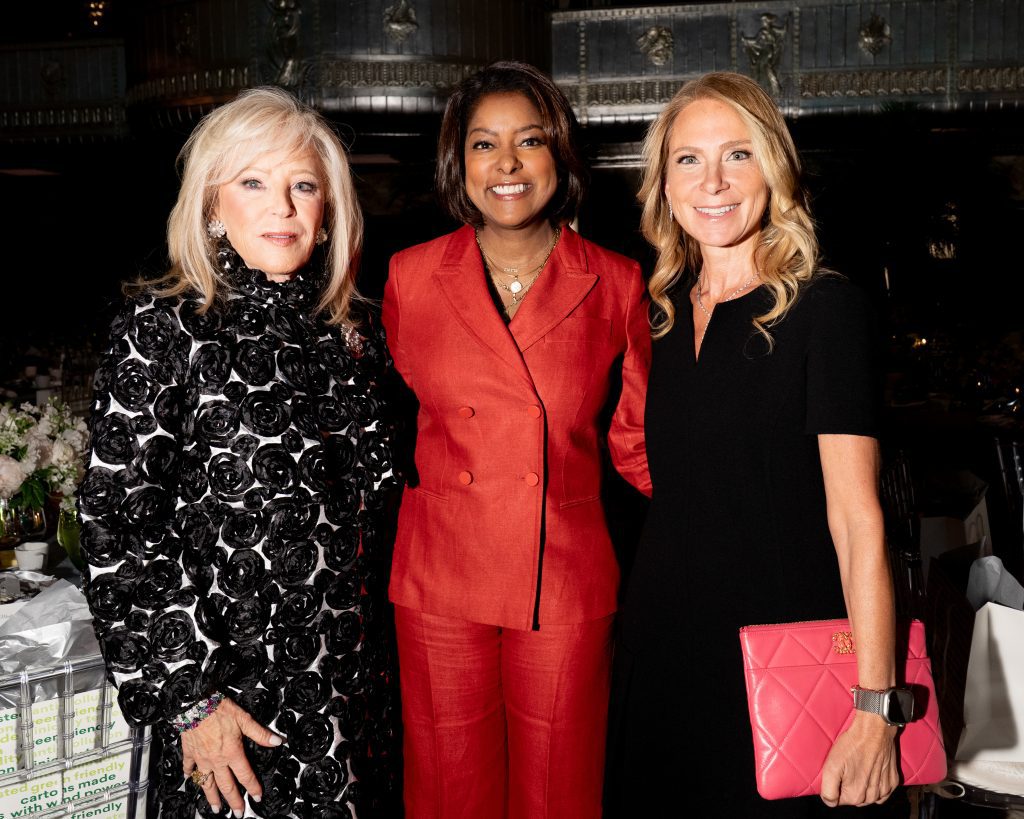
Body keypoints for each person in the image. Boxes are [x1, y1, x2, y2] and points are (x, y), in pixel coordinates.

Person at [78, 87, 400, 819]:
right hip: (233, 717)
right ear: (212, 203)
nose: (282, 207)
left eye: (303, 185)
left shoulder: (354, 340)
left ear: (328, 215)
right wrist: (193, 703)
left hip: (355, 708)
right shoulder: (162, 331)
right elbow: (115, 532)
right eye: (253, 182)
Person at [604, 72, 906, 818]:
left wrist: (876, 705)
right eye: (688, 160)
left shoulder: (825, 309)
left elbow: (857, 518)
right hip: (663, 657)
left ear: (773, 168)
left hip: (782, 663)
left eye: (737, 154)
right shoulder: (659, 313)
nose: (713, 181)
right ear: (663, 183)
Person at [381, 61, 650, 819]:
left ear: (559, 156)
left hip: (563, 575)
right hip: (439, 575)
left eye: (528, 141)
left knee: (561, 795)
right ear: (456, 162)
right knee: (447, 791)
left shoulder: (617, 281)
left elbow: (635, 442)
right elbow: (398, 417)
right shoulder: (409, 278)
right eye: (482, 144)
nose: (505, 164)